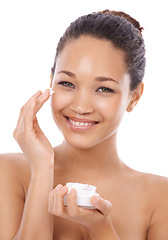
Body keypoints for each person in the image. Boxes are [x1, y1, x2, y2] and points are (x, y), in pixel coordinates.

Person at [0, 9, 168, 240]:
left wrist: (101, 230)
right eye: (67, 83)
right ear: (51, 82)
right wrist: (41, 170)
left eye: (104, 88)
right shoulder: (9, 172)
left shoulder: (161, 196)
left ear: (134, 96)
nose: (80, 106)